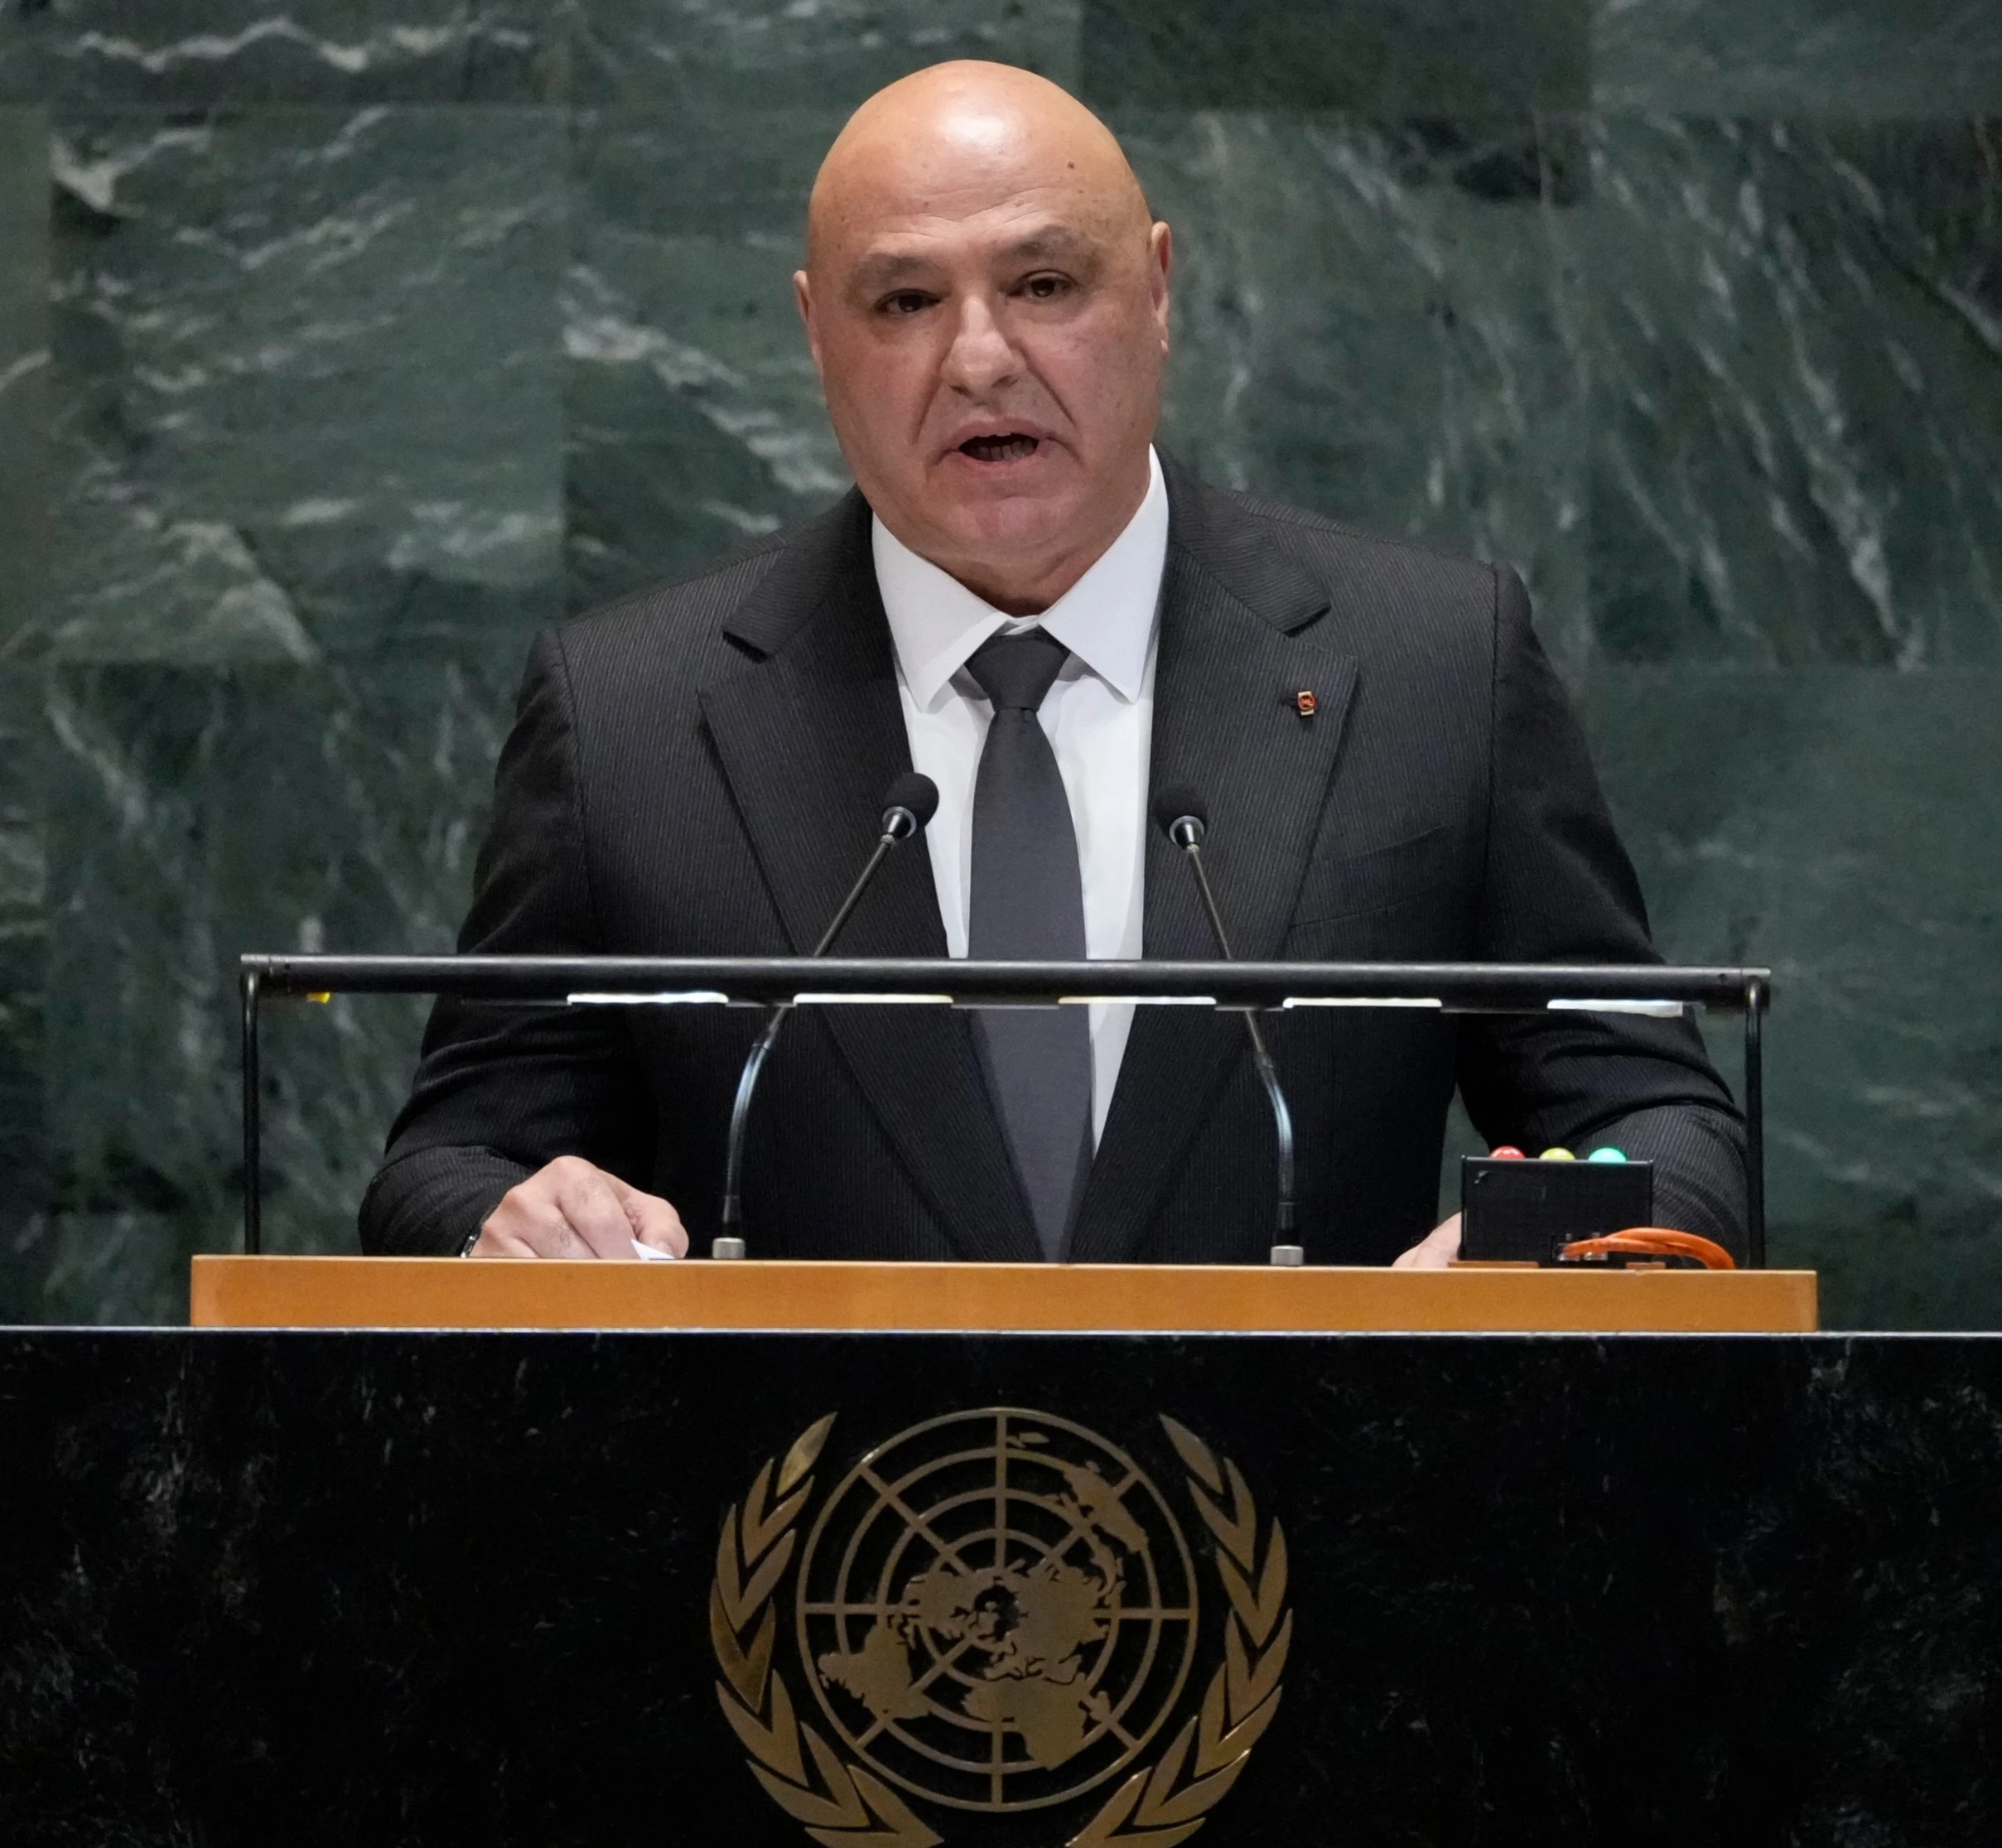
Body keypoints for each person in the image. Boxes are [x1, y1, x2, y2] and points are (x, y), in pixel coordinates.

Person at [359, 61, 1744, 1267]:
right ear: (814, 335)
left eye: (1042, 284)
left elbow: (1655, 1123)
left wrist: (1548, 1252)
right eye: (903, 300)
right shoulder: (630, 716)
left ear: (1154, 290)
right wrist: (519, 1218)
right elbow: (446, 1168)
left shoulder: (1436, 666)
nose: (978, 359)